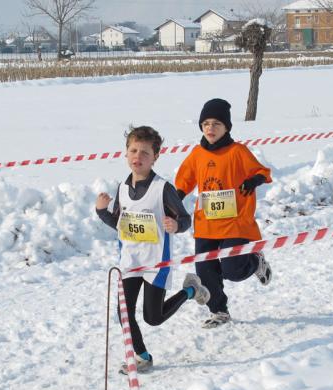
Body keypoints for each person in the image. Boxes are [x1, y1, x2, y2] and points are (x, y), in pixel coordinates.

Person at [96, 126, 210, 373]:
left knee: (153, 317)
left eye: (145, 152)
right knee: (124, 313)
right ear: (126, 154)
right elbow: (120, 223)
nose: (138, 156)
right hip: (130, 262)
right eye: (133, 150)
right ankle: (143, 356)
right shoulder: (123, 189)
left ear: (155, 157)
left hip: (156, 262)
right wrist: (102, 211)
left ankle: (191, 290)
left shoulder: (162, 189)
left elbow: (185, 219)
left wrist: (176, 224)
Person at [175, 98, 273, 328]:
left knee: (233, 270)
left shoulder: (237, 151)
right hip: (207, 223)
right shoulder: (197, 154)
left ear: (227, 127)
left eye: (217, 123)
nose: (210, 128)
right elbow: (184, 180)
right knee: (205, 269)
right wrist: (176, 196)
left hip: (235, 222)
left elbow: (262, 171)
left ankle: (255, 261)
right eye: (206, 123)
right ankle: (219, 310)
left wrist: (254, 179)